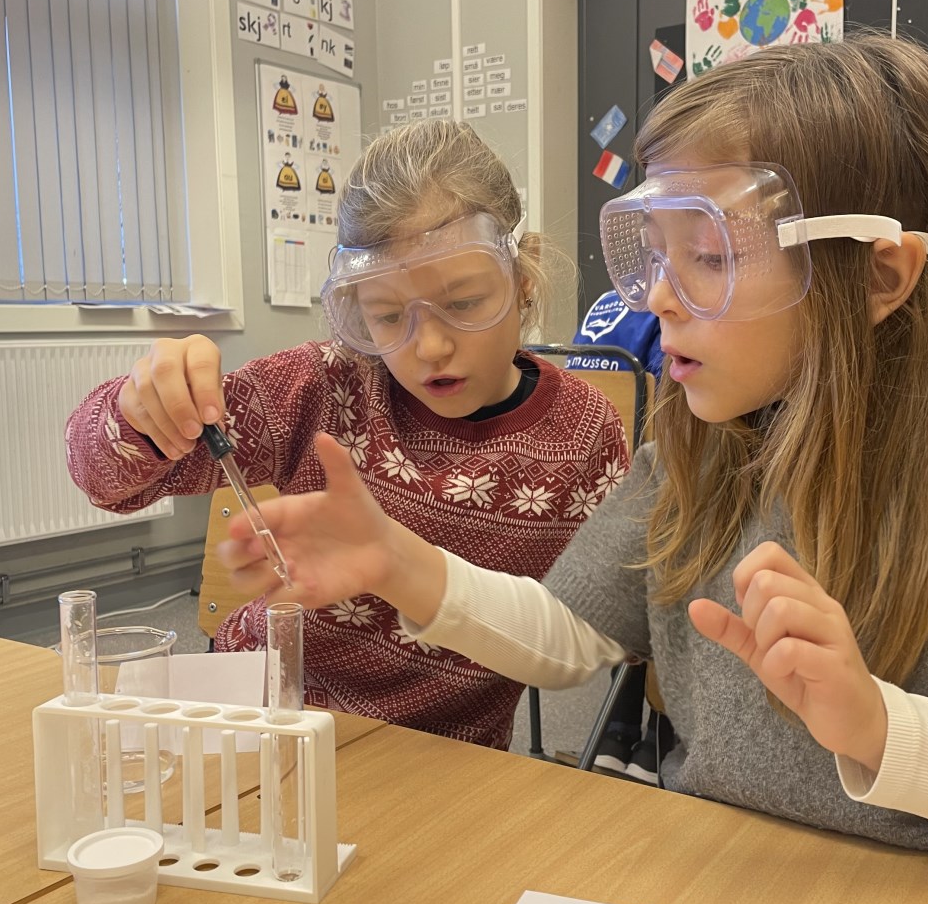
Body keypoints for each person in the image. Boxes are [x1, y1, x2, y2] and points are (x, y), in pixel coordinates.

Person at [219, 34, 928, 891]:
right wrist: (402, 564)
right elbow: (573, 637)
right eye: (653, 253)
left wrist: (881, 726)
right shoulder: (705, 432)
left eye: (706, 256)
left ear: (878, 274)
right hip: (732, 883)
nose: (659, 297)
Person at [66, 120, 630, 749]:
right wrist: (138, 410)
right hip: (267, 719)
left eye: (464, 303)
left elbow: (604, 630)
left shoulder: (583, 433)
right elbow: (105, 482)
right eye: (387, 316)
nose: (430, 346)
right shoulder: (327, 383)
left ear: (522, 279)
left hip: (440, 757)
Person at [566, 290, 669, 780]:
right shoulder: (675, 307)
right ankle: (659, 737)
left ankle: (617, 729)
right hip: (652, 482)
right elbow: (672, 408)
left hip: (590, 485)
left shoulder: (604, 304)